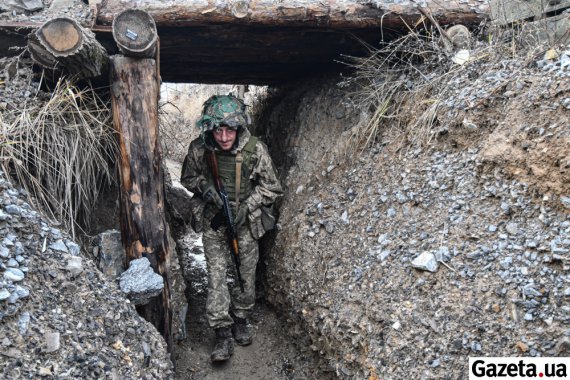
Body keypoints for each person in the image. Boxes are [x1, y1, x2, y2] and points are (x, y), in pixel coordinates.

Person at [180, 94, 283, 362]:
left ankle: (240, 318)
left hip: (245, 223)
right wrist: (206, 189)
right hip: (214, 220)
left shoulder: (255, 149)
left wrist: (247, 206)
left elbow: (272, 186)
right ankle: (222, 332)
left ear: (239, 127)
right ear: (209, 128)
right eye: (218, 129)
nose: (224, 137)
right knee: (216, 275)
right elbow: (188, 178)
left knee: (244, 273)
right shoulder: (199, 149)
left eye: (230, 129)